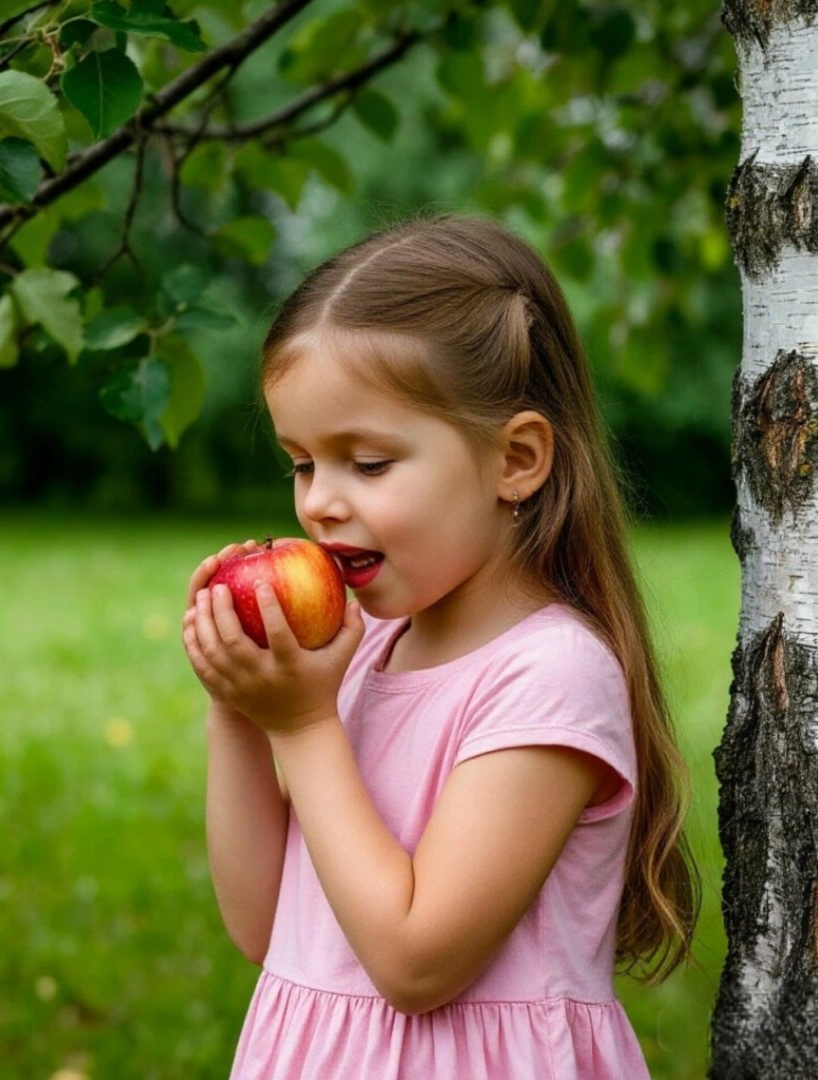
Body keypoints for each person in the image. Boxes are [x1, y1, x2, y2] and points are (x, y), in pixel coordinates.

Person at [181, 212, 699, 1079]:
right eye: (302, 463)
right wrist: (241, 712)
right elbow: (266, 928)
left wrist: (304, 728)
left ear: (517, 460)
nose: (320, 504)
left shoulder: (548, 679)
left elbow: (417, 964)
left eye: (369, 464)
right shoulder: (358, 649)